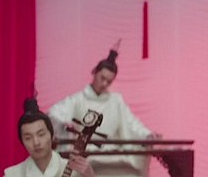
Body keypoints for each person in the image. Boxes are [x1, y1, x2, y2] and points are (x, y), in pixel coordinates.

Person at [48, 48, 156, 177]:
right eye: (102, 78)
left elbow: (132, 124)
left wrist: (147, 135)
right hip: (85, 154)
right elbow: (54, 114)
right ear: (95, 72)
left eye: (109, 81)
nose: (104, 83)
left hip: (111, 154)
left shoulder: (116, 101)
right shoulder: (78, 100)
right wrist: (65, 126)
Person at [3, 98, 95, 177]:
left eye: (41, 134)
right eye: (28, 138)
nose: (36, 142)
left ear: (52, 135)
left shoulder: (76, 171)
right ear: (22, 142)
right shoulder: (12, 174)